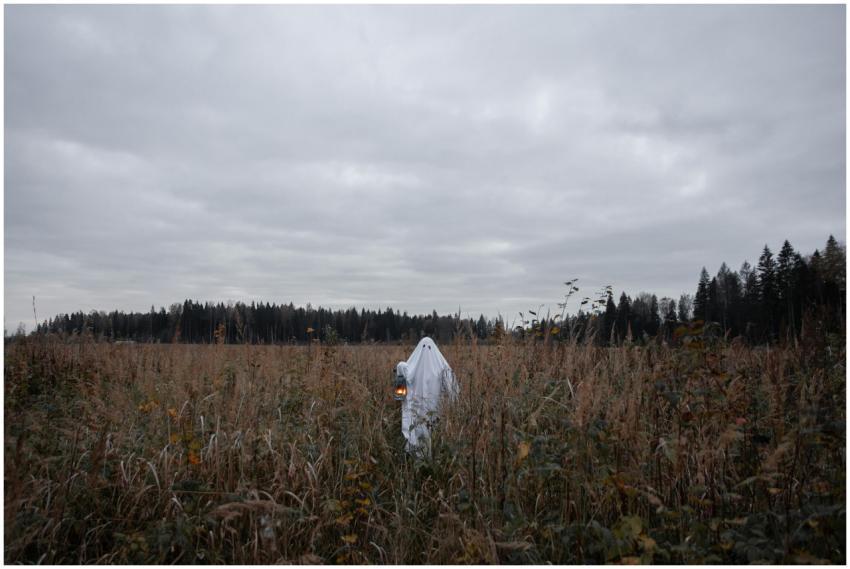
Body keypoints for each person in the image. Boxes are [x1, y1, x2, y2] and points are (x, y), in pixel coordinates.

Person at [395, 337, 458, 457]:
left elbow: (452, 387)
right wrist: (400, 368)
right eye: (423, 348)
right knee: (418, 429)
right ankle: (418, 456)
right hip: (417, 408)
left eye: (428, 348)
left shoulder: (441, 369)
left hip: (433, 410)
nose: (426, 352)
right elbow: (402, 378)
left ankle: (427, 457)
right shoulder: (412, 369)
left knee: (430, 432)